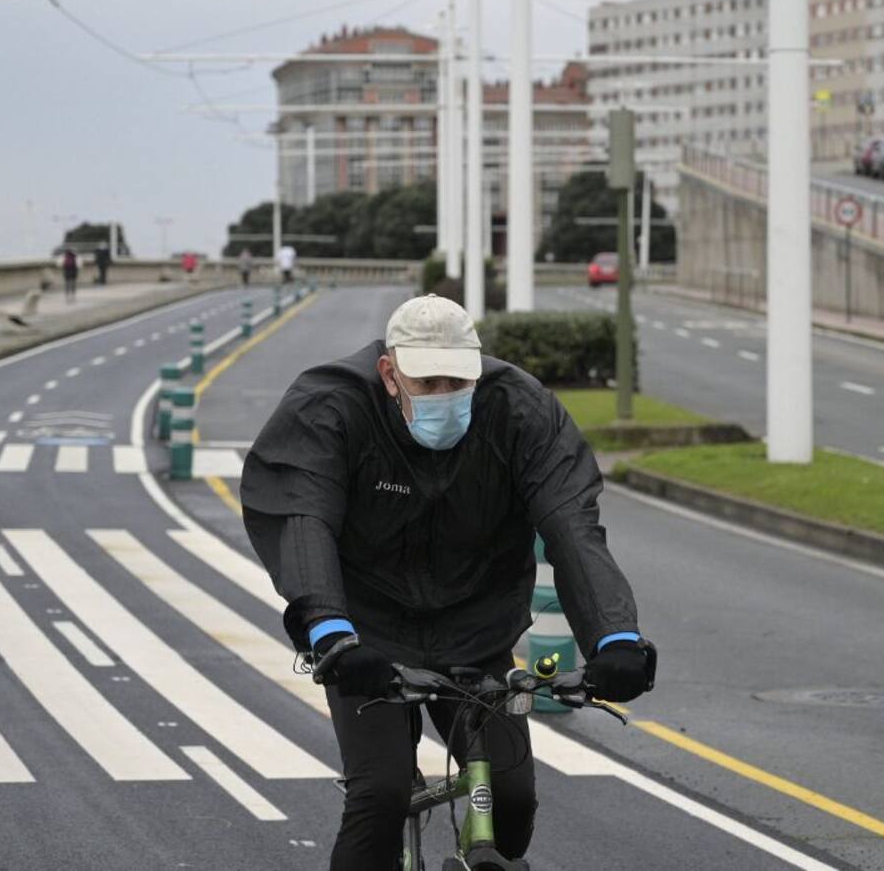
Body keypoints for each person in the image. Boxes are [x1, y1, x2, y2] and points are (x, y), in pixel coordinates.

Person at [241, 294, 655, 871]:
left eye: (458, 382)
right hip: (365, 634)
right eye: (427, 382)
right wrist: (330, 632)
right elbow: (301, 514)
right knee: (380, 793)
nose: (445, 397)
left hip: (476, 633)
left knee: (512, 798)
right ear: (390, 373)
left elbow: (572, 527)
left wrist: (615, 638)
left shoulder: (520, 411)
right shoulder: (330, 406)